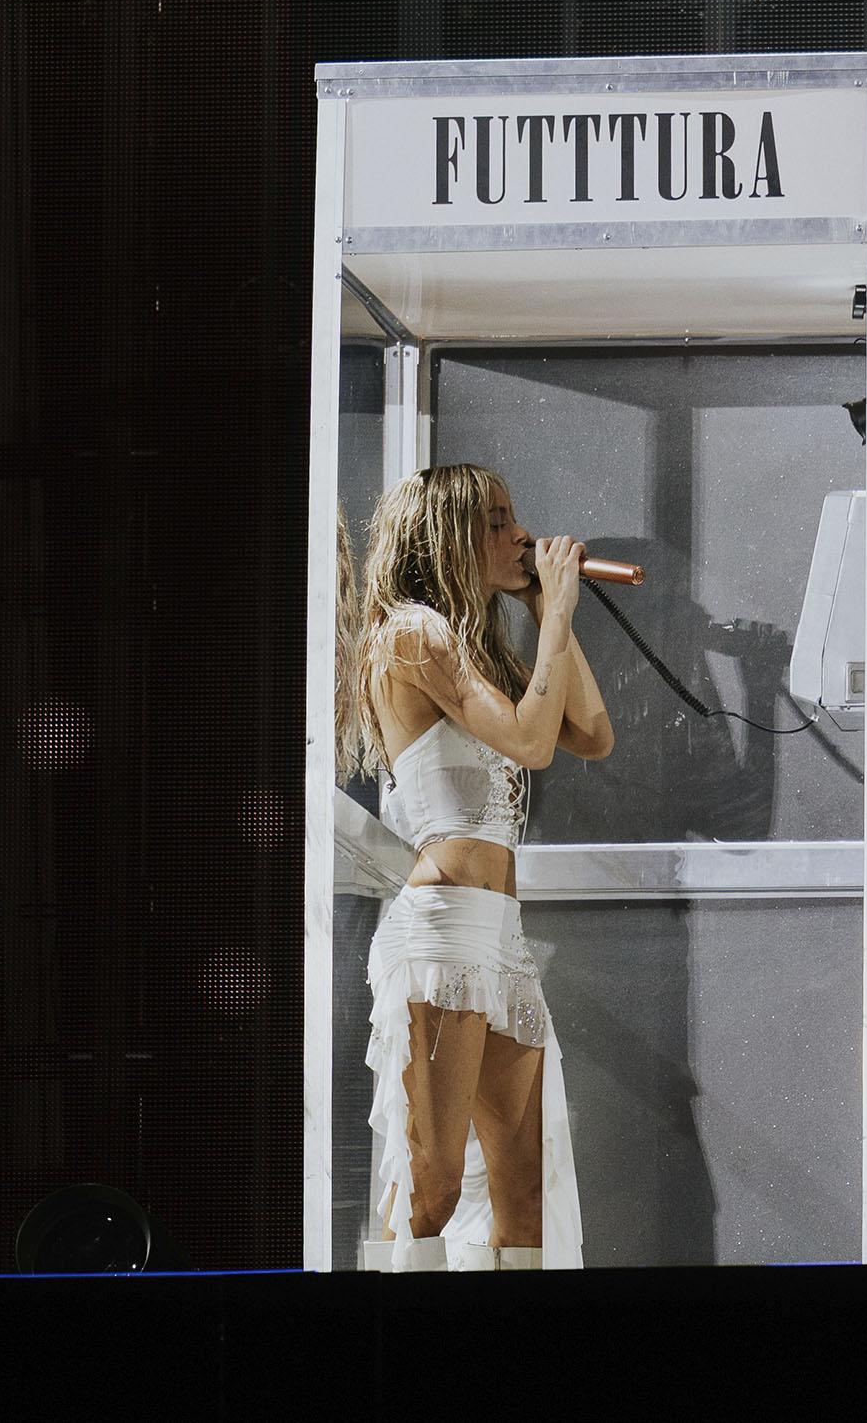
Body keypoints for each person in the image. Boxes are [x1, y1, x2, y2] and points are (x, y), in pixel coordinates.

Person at [334, 463, 612, 1271]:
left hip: (500, 938)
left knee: (524, 1193)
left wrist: (545, 611)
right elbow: (529, 741)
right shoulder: (412, 634)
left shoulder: (471, 648)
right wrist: (557, 613)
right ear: (446, 538)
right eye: (496, 520)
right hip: (445, 932)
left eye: (514, 516)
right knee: (434, 1183)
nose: (520, 535)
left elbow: (589, 734)